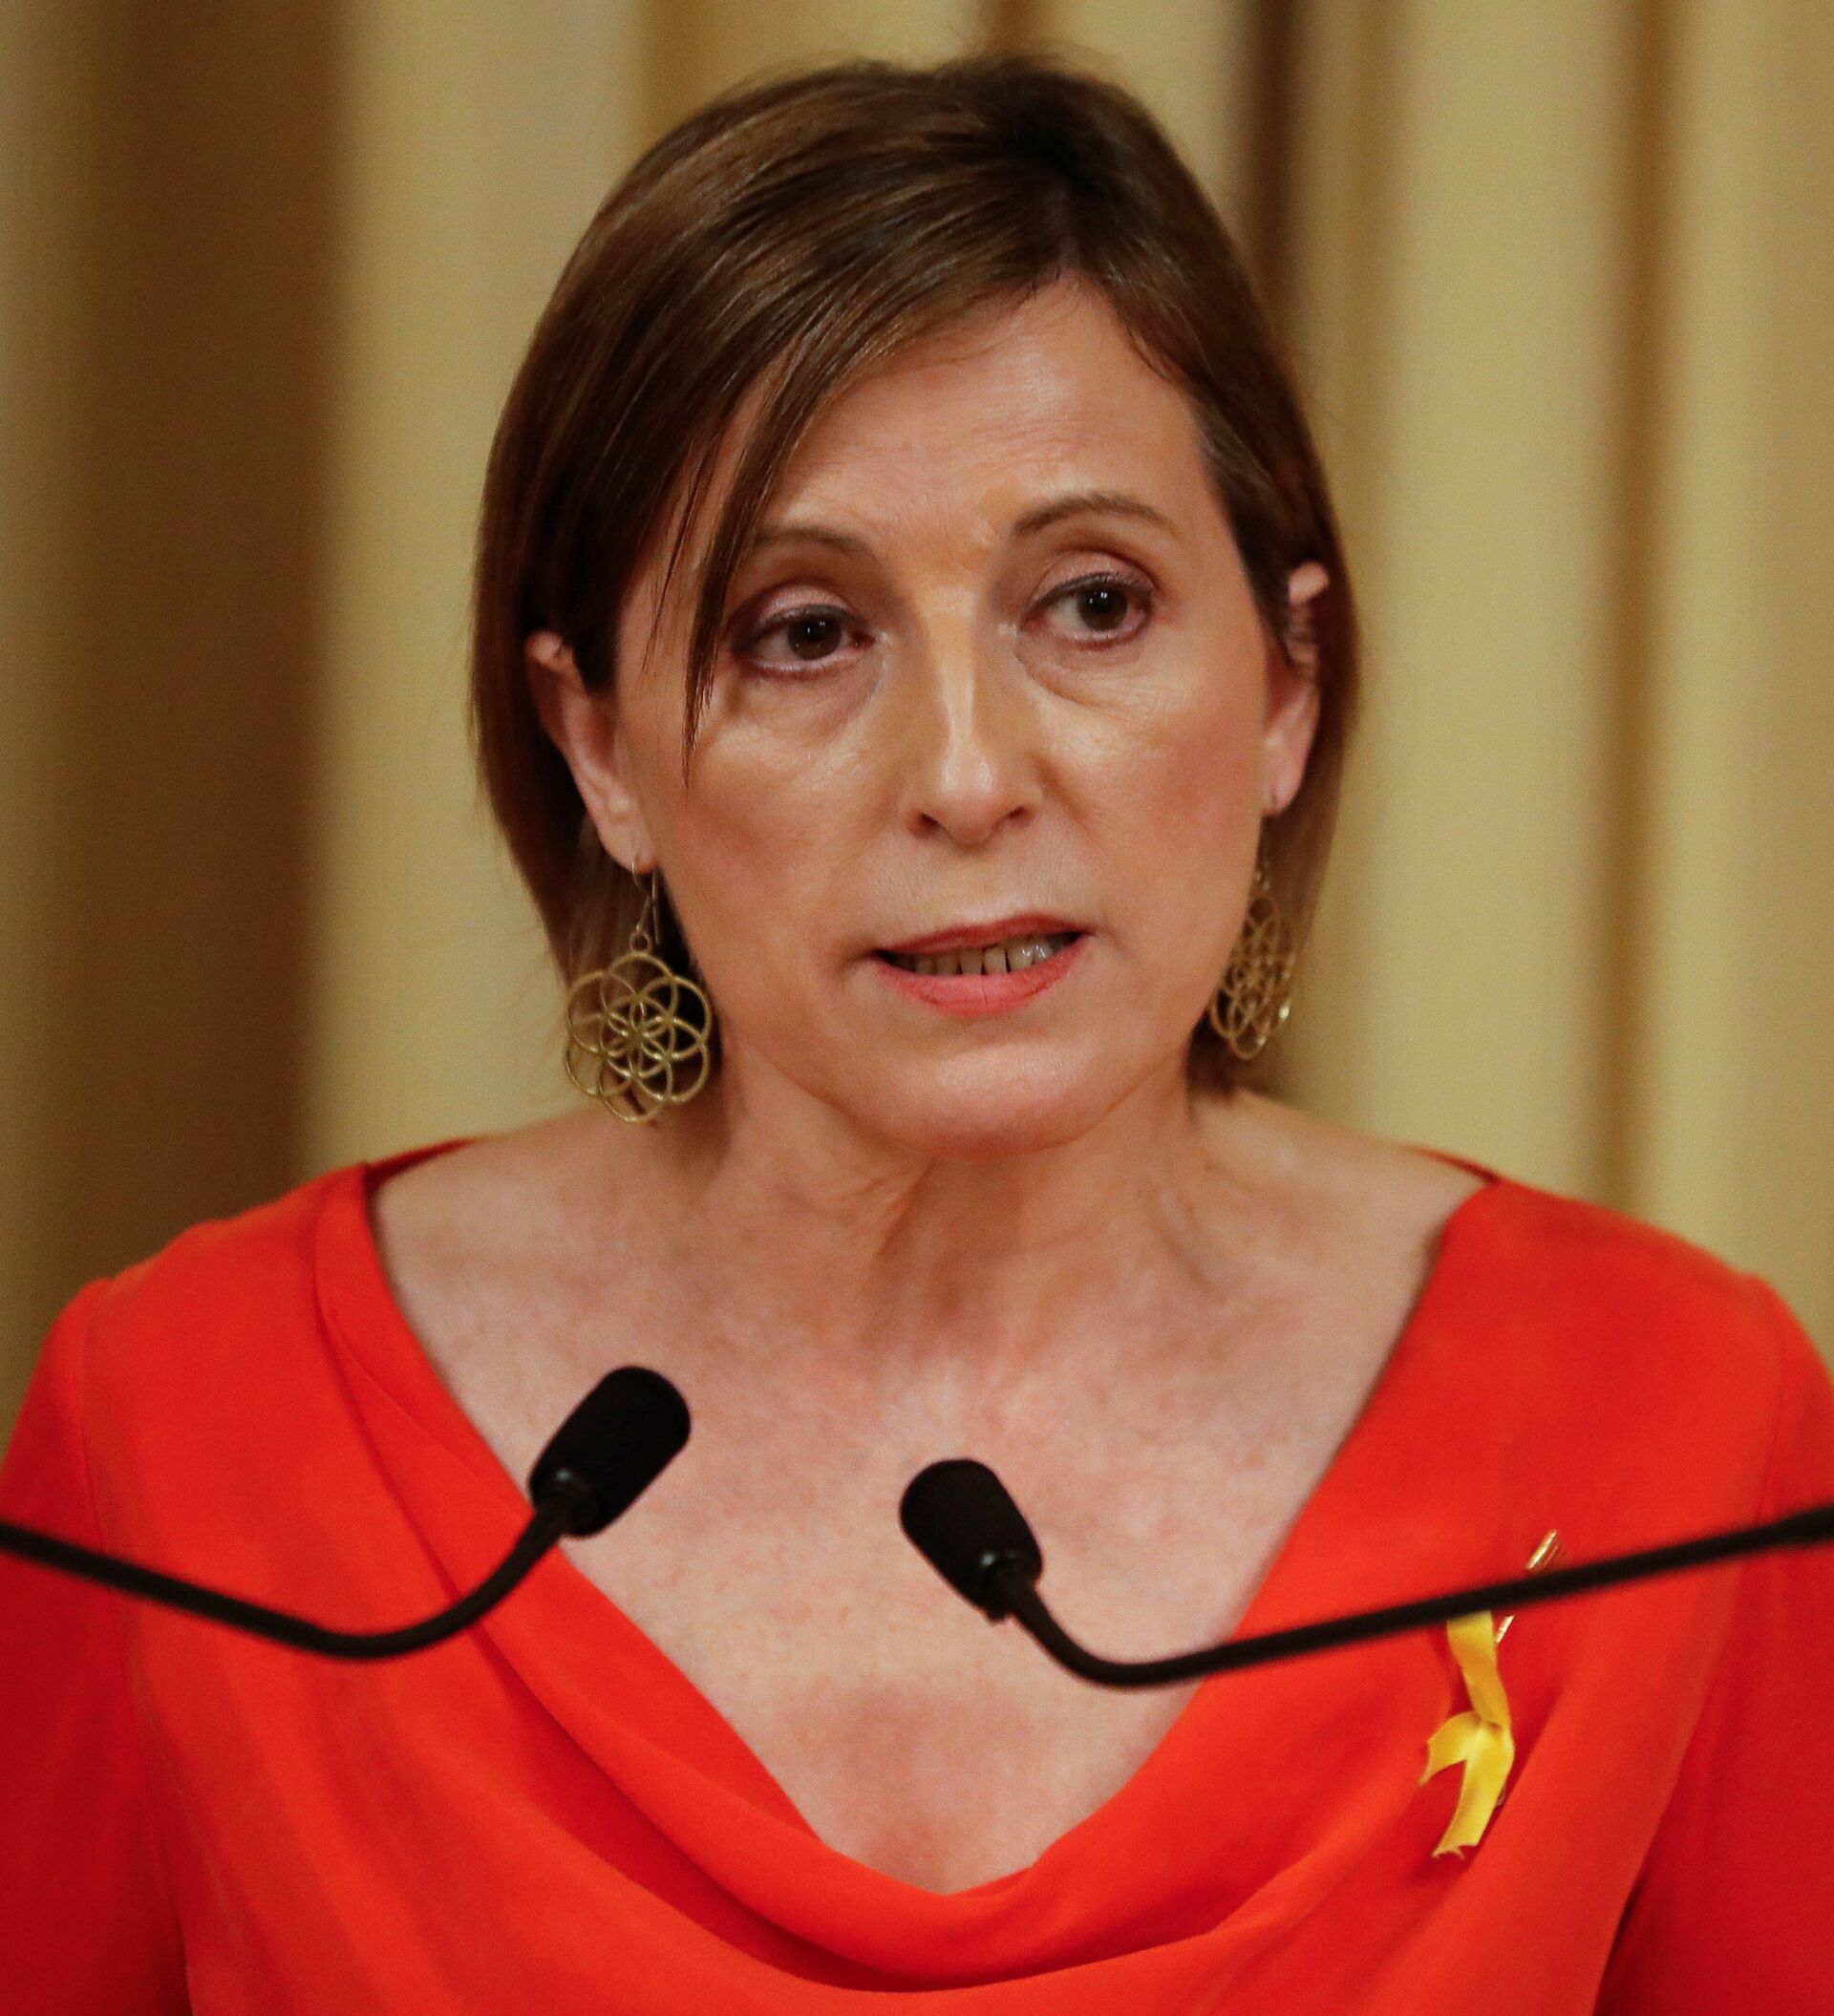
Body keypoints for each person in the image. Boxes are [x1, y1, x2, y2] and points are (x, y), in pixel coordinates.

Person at [2, 50, 1830, 2014]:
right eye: (805, 632)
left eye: (1095, 605)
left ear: (1288, 686)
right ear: (597, 746)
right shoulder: (184, 1444)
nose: (966, 775)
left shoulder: (1669, 1442)